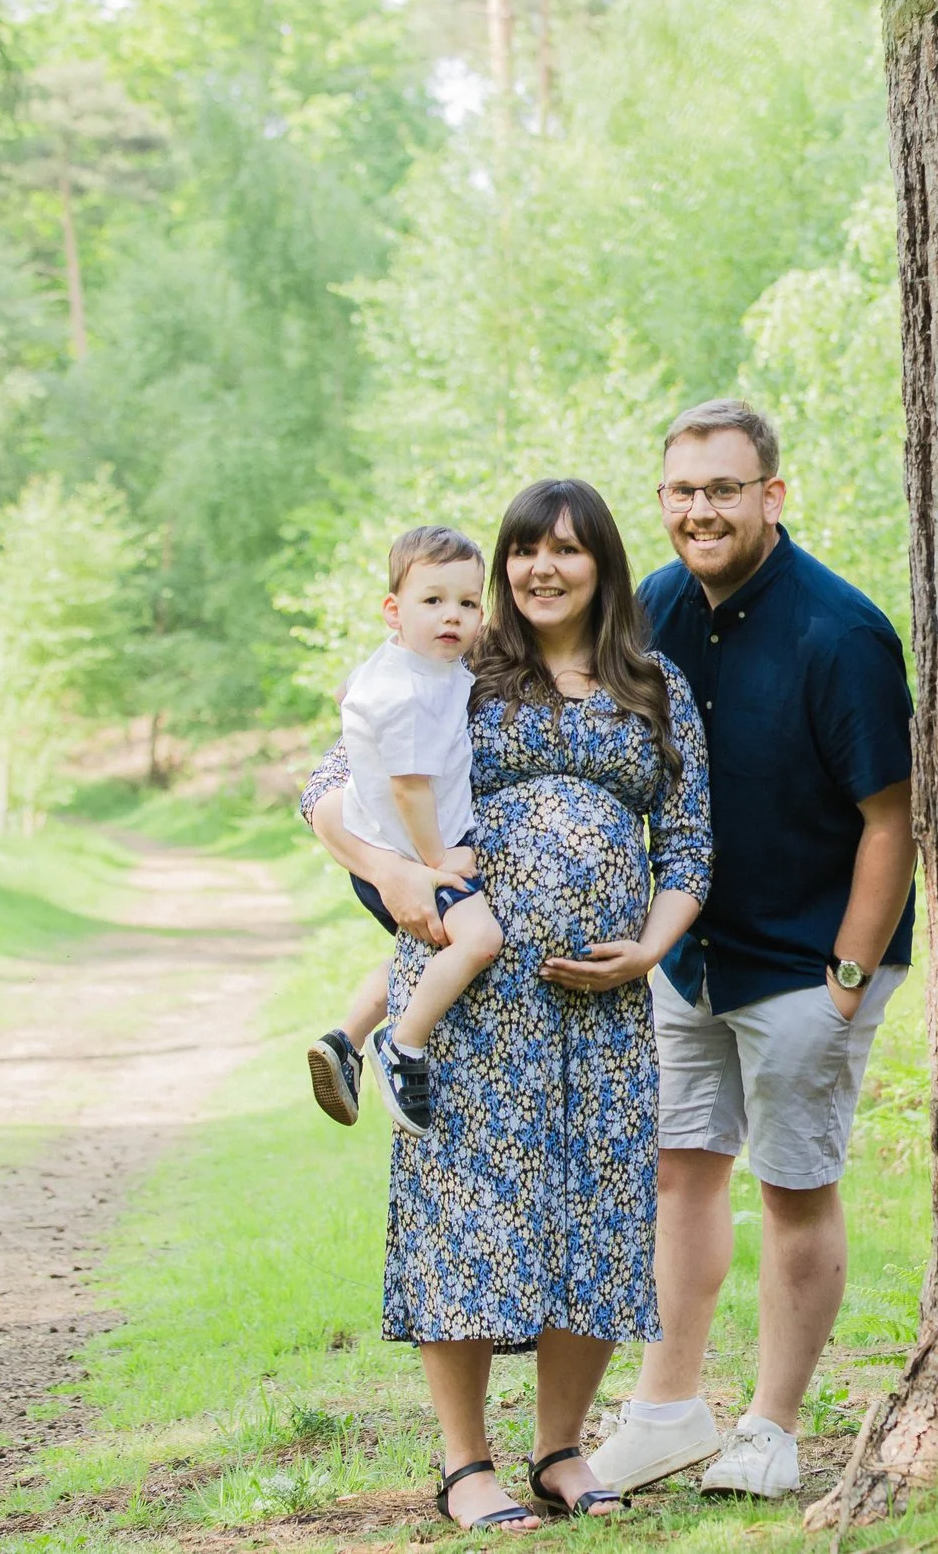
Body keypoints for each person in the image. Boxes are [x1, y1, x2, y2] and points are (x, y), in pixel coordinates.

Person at [299, 478, 710, 1532]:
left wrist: (649, 951)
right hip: (478, 1009)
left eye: (567, 551)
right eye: (524, 551)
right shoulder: (461, 672)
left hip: (603, 1008)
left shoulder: (655, 685)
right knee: (468, 1214)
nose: (542, 568)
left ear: (602, 565)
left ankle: (562, 1448)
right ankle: (465, 1461)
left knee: (596, 1213)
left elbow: (692, 844)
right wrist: (389, 877)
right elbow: (331, 780)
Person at [589, 399, 917, 1501]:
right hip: (690, 955)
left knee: (791, 1185)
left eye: (723, 488)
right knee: (682, 1171)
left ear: (772, 495)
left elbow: (891, 815)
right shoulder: (653, 609)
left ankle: (771, 1424)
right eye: (682, 490)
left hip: (809, 962)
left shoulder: (843, 631)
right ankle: (666, 1409)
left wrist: (850, 977)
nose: (699, 509)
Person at [305, 526, 505, 1137]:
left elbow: (347, 692)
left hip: (403, 852)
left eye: (468, 605)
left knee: (419, 954)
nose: (454, 617)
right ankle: (404, 1046)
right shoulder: (410, 693)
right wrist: (435, 862)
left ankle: (346, 1039)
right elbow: (409, 788)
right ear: (394, 611)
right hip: (408, 858)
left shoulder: (408, 664)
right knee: (478, 942)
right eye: (433, 602)